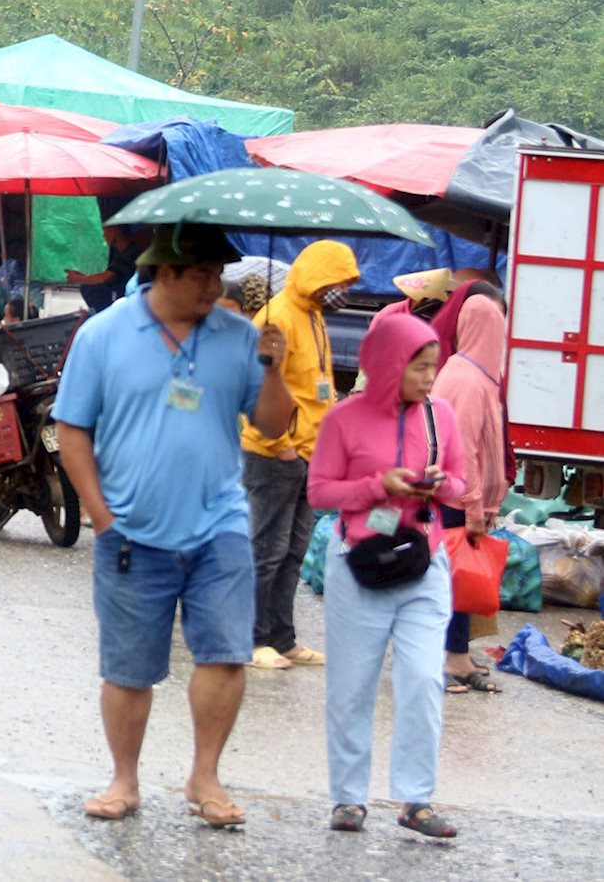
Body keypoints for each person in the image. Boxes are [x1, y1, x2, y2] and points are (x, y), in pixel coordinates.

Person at [53, 221, 296, 829]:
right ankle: (124, 780)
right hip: (130, 530)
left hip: (220, 524)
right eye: (204, 275)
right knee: (129, 667)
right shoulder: (103, 334)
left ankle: (205, 776)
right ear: (164, 273)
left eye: (220, 274)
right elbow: (72, 429)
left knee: (225, 654)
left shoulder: (240, 336)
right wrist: (100, 515)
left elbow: (271, 425)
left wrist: (272, 368)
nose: (217, 286)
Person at [309, 306, 470, 840]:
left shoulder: (439, 415)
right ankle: (349, 797)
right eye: (419, 366)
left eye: (433, 366)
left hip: (423, 561)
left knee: (424, 679)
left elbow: (460, 483)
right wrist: (381, 486)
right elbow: (320, 492)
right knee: (351, 687)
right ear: (387, 362)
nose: (429, 377)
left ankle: (415, 799)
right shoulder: (342, 419)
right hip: (360, 564)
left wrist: (435, 485)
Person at [243, 240, 359, 673]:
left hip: (308, 454)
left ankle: (282, 637)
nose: (342, 291)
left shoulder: (313, 317)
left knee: (293, 550)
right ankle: (250, 638)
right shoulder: (276, 319)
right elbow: (254, 390)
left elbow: (316, 388)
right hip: (274, 454)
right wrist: (282, 447)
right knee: (266, 549)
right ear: (317, 277)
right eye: (338, 282)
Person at [430, 282, 509, 695]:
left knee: (456, 578)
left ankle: (455, 656)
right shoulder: (466, 379)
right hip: (459, 498)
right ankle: (451, 660)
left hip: (462, 497)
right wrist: (476, 508)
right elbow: (464, 453)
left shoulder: (475, 375)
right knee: (455, 578)